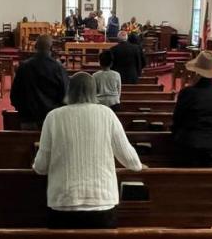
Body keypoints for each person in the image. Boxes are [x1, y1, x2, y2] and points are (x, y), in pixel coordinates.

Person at [33, 72, 143, 228]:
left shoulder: (53, 117)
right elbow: (130, 159)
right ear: (95, 91)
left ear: (69, 91)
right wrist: (138, 166)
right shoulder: (107, 114)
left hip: (63, 202)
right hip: (101, 202)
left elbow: (41, 167)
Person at [171, 51, 212, 167]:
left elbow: (177, 119)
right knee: (208, 181)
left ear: (197, 72)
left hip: (189, 143)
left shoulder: (188, 92)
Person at [10, 34, 69, 129]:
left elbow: (14, 95)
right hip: (52, 119)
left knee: (27, 143)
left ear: (35, 47)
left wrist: (22, 110)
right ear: (51, 48)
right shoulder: (58, 68)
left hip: (28, 118)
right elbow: (66, 95)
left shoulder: (24, 67)